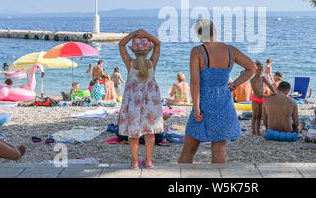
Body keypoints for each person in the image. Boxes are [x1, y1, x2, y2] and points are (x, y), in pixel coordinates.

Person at [178, 19, 256, 164]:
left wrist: (196, 108)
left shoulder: (197, 51)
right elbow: (252, 67)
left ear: (199, 35)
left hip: (204, 101)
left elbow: (195, 83)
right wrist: (234, 85)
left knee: (189, 148)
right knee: (219, 148)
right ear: (215, 31)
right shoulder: (230, 50)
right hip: (223, 101)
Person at [118, 29, 163, 169]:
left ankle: (135, 162)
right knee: (150, 132)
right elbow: (158, 44)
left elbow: (121, 44)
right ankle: (149, 161)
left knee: (134, 133)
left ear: (134, 51)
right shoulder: (152, 64)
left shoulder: (130, 64)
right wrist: (146, 35)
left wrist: (134, 34)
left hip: (133, 104)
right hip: (151, 102)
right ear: (149, 50)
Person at [250, 60, 276, 136]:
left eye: (261, 70)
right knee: (255, 115)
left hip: (262, 99)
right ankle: (253, 131)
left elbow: (269, 84)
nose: (259, 71)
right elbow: (257, 92)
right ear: (254, 70)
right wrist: (267, 96)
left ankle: (258, 131)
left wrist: (273, 91)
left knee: (259, 116)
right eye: (257, 70)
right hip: (255, 99)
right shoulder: (252, 80)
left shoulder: (262, 78)